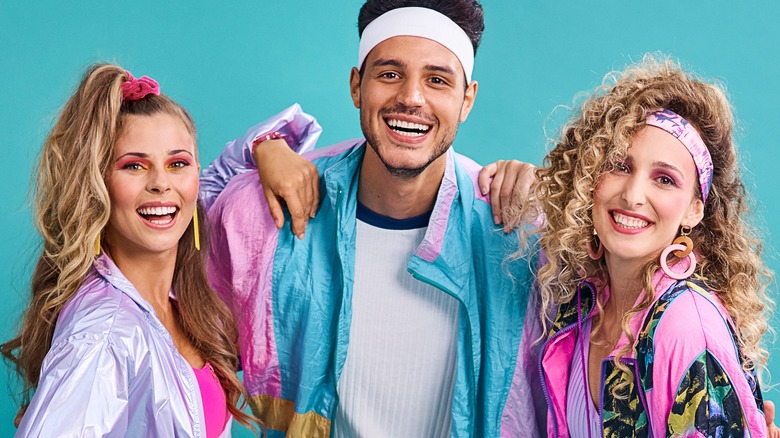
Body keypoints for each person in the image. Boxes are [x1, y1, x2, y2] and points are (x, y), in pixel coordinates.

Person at [204, 0, 544, 436]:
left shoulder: (515, 233)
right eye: (389, 74)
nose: (411, 98)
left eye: (437, 80)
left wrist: (563, 197)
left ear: (467, 100)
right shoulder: (269, 213)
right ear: (356, 86)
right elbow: (177, 244)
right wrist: (262, 144)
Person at [511, 56, 774, 436]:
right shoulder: (582, 304)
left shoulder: (683, 325)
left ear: (694, 210)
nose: (633, 195)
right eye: (619, 165)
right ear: (588, 178)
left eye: (664, 180)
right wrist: (508, 177)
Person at [1, 64, 258, 436]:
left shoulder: (175, 300)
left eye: (178, 163)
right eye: (134, 166)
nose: (161, 184)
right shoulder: (104, 333)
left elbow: (233, 167)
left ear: (195, 174)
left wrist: (268, 148)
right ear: (98, 184)